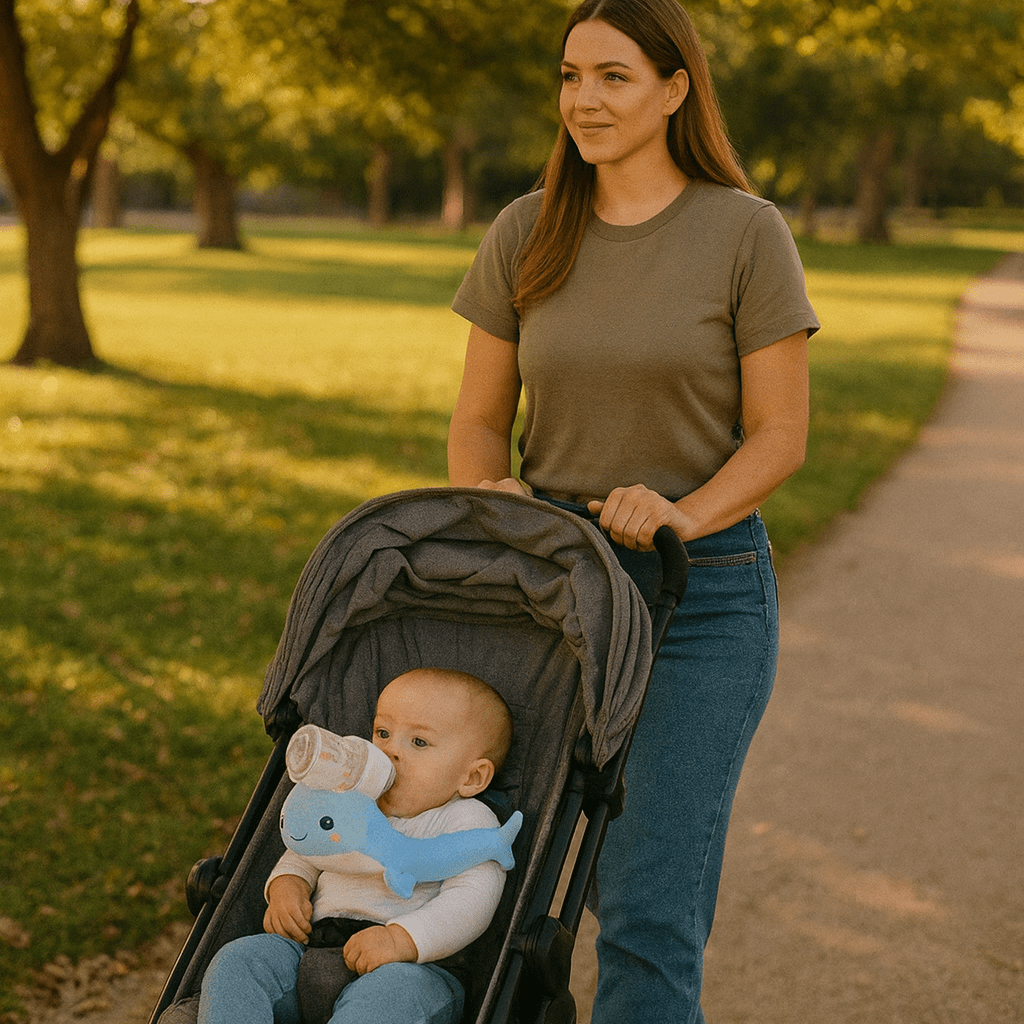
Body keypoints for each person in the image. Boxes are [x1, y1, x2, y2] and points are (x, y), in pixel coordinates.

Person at [447, 1, 819, 1021]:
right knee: (497, 891)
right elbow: (478, 420)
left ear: (673, 89)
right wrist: (492, 495)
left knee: (647, 908)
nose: (584, 99)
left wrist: (681, 514)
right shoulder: (525, 229)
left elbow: (779, 434)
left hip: (696, 598)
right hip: (548, 590)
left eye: (613, 76)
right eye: (571, 76)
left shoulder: (745, 232)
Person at [198, 668, 514, 1024]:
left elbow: (471, 902)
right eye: (383, 733)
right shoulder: (350, 799)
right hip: (310, 951)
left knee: (390, 999)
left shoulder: (468, 821)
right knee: (238, 960)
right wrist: (288, 886)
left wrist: (401, 940)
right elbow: (305, 851)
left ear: (472, 777)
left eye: (419, 742)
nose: (391, 751)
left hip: (412, 970)